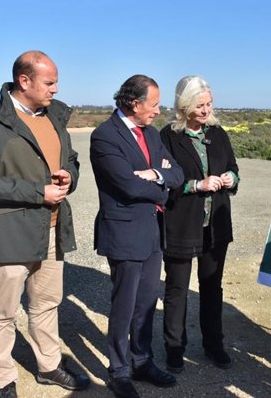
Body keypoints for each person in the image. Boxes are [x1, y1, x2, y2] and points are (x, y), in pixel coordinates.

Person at [0, 51, 88, 397]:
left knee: (46, 303)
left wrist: (68, 177)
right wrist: (39, 192)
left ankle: (49, 366)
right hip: (9, 230)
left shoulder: (55, 120)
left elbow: (73, 160)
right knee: (3, 311)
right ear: (24, 81)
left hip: (51, 228)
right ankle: (2, 379)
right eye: (49, 82)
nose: (56, 89)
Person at [90, 74, 184, 398]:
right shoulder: (105, 136)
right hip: (125, 233)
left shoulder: (152, 134)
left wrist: (156, 174)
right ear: (135, 103)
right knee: (124, 306)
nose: (159, 111)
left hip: (153, 234)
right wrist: (161, 191)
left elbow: (178, 173)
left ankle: (142, 361)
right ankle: (119, 370)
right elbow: (127, 185)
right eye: (154, 104)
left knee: (146, 303)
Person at [159, 76, 239, 373]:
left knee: (212, 287)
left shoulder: (218, 133)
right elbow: (164, 181)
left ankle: (213, 345)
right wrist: (196, 185)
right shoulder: (167, 136)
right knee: (177, 289)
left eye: (209, 104)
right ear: (184, 105)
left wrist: (232, 179)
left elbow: (233, 167)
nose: (206, 110)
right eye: (199, 105)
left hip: (215, 226)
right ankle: (174, 348)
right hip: (181, 223)